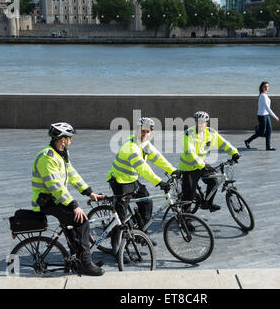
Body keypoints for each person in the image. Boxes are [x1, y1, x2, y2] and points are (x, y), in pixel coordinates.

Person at [31, 122, 105, 276]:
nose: (71, 140)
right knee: (82, 221)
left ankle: (77, 261)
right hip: (46, 201)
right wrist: (74, 205)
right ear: (63, 139)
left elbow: (72, 174)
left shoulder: (62, 153)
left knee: (72, 226)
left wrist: (88, 192)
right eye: (70, 137)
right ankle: (85, 263)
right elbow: (55, 186)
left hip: (55, 200)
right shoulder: (47, 157)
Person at [106, 117, 180, 250]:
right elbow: (142, 168)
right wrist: (159, 182)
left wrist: (173, 170)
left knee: (147, 201)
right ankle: (116, 248)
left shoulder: (144, 144)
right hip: (120, 182)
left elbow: (158, 158)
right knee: (120, 218)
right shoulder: (130, 146)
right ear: (137, 130)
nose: (145, 133)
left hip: (132, 180)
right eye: (142, 131)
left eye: (147, 131)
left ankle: (142, 234)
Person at [179, 111, 241, 213]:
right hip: (188, 167)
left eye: (203, 122)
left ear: (206, 123)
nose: (200, 124)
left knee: (214, 181)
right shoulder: (188, 134)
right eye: (198, 122)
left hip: (201, 164)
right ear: (195, 122)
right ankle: (186, 220)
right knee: (188, 196)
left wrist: (234, 152)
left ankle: (208, 203)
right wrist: (201, 165)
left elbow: (224, 143)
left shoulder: (211, 133)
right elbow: (190, 152)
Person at [244, 81, 280, 151]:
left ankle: (268, 146)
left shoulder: (265, 95)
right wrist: (275, 116)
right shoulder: (263, 96)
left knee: (269, 130)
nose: (266, 88)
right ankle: (248, 140)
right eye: (265, 86)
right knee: (261, 132)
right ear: (262, 87)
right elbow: (267, 108)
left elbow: (267, 108)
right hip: (262, 116)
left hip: (266, 115)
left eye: (267, 86)